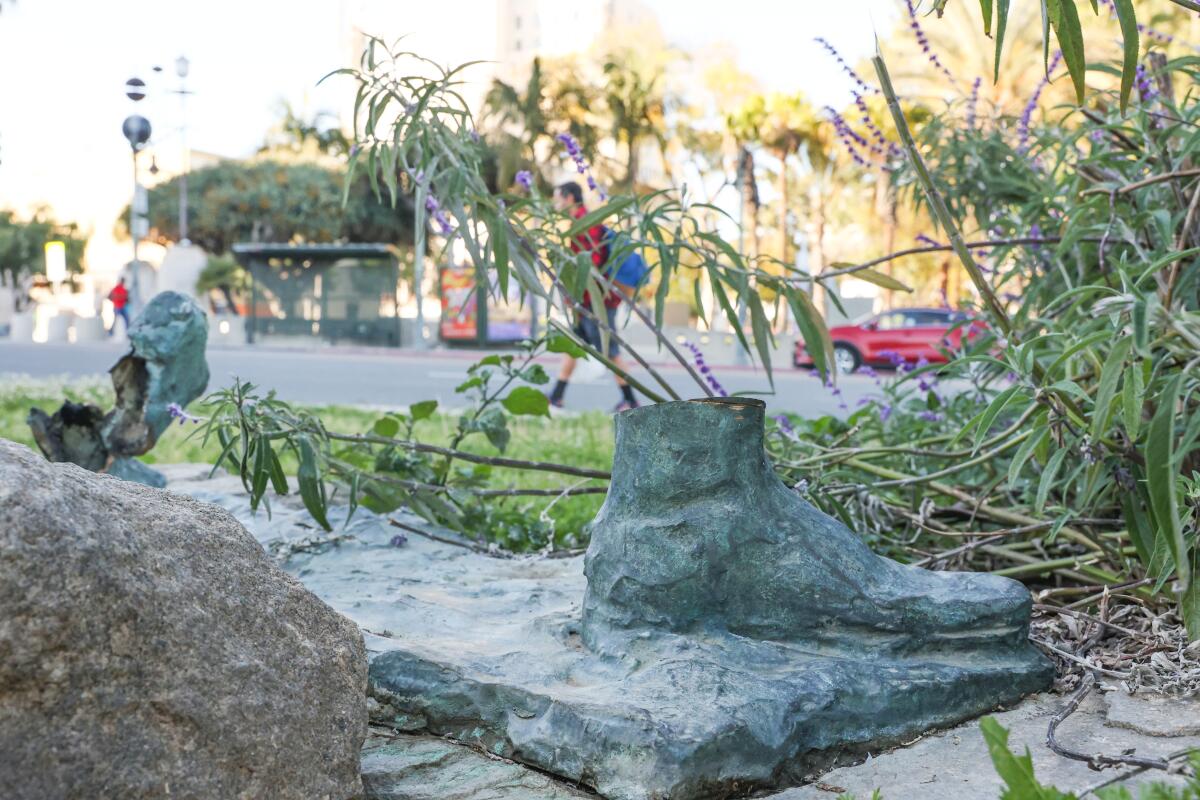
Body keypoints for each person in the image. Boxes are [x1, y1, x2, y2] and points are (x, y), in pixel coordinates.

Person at [547, 181, 642, 412]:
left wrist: (575, 293)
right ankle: (556, 396)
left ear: (569, 198)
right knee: (574, 345)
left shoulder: (584, 224)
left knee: (611, 352)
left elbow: (590, 266)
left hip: (596, 303)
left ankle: (630, 400)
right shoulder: (580, 223)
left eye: (557, 197)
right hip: (588, 302)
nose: (554, 202)